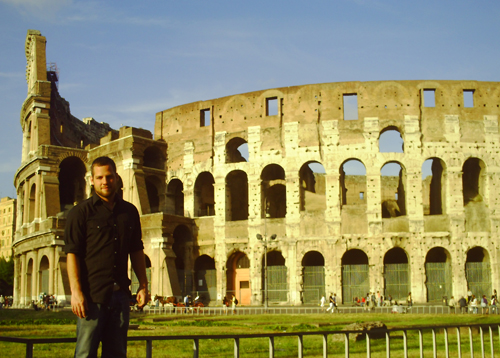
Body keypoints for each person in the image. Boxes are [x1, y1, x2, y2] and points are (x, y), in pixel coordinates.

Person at [65, 156, 149, 358]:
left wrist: (143, 285)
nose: (105, 182)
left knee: (117, 354)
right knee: (85, 354)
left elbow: (136, 250)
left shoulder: (129, 212)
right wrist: (76, 293)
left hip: (120, 295)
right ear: (91, 180)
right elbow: (72, 254)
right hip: (91, 297)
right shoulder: (80, 213)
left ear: (117, 178)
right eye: (100, 177)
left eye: (109, 177)